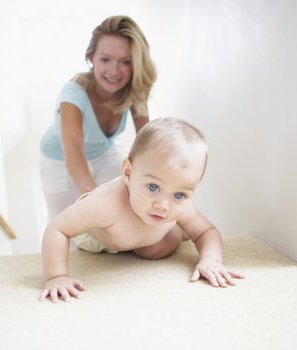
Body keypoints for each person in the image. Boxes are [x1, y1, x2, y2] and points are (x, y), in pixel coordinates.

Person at [39, 117, 244, 303]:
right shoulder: (104, 204)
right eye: (153, 187)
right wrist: (57, 277)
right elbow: (58, 229)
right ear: (128, 172)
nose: (163, 205)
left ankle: (178, 231)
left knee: (155, 250)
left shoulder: (178, 207)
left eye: (179, 195)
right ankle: (178, 230)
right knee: (85, 238)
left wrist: (211, 260)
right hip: (100, 236)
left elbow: (207, 232)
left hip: (139, 237)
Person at [39, 15, 157, 220]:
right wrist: (91, 193)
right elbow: (73, 150)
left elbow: (146, 142)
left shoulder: (135, 90)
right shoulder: (73, 96)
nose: (114, 71)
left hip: (104, 153)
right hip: (59, 161)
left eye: (125, 62)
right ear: (90, 58)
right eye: (105, 60)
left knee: (124, 209)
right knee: (70, 224)